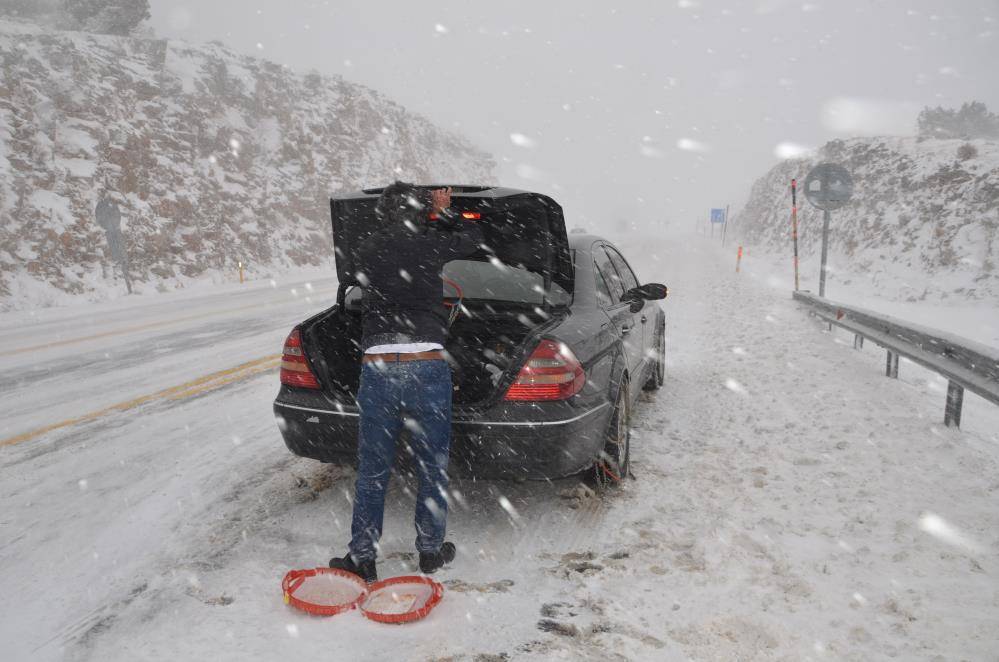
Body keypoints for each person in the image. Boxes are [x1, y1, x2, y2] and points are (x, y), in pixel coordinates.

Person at [329, 181, 483, 582]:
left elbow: (353, 286)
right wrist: (443, 213)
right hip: (427, 366)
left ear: (383, 213)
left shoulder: (366, 249)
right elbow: (474, 239)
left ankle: (362, 557)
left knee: (373, 470)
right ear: (421, 213)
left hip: (378, 368)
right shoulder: (432, 243)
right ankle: (430, 552)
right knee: (432, 465)